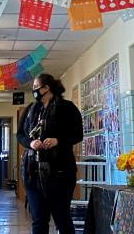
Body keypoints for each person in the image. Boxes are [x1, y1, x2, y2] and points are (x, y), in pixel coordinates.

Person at [17, 73, 84, 234]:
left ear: (47, 88)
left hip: (60, 173)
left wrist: (58, 140)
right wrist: (31, 143)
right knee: (39, 220)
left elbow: (78, 134)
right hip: (33, 173)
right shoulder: (30, 110)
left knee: (62, 218)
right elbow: (20, 135)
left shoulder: (67, 108)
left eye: (36, 87)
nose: (33, 90)